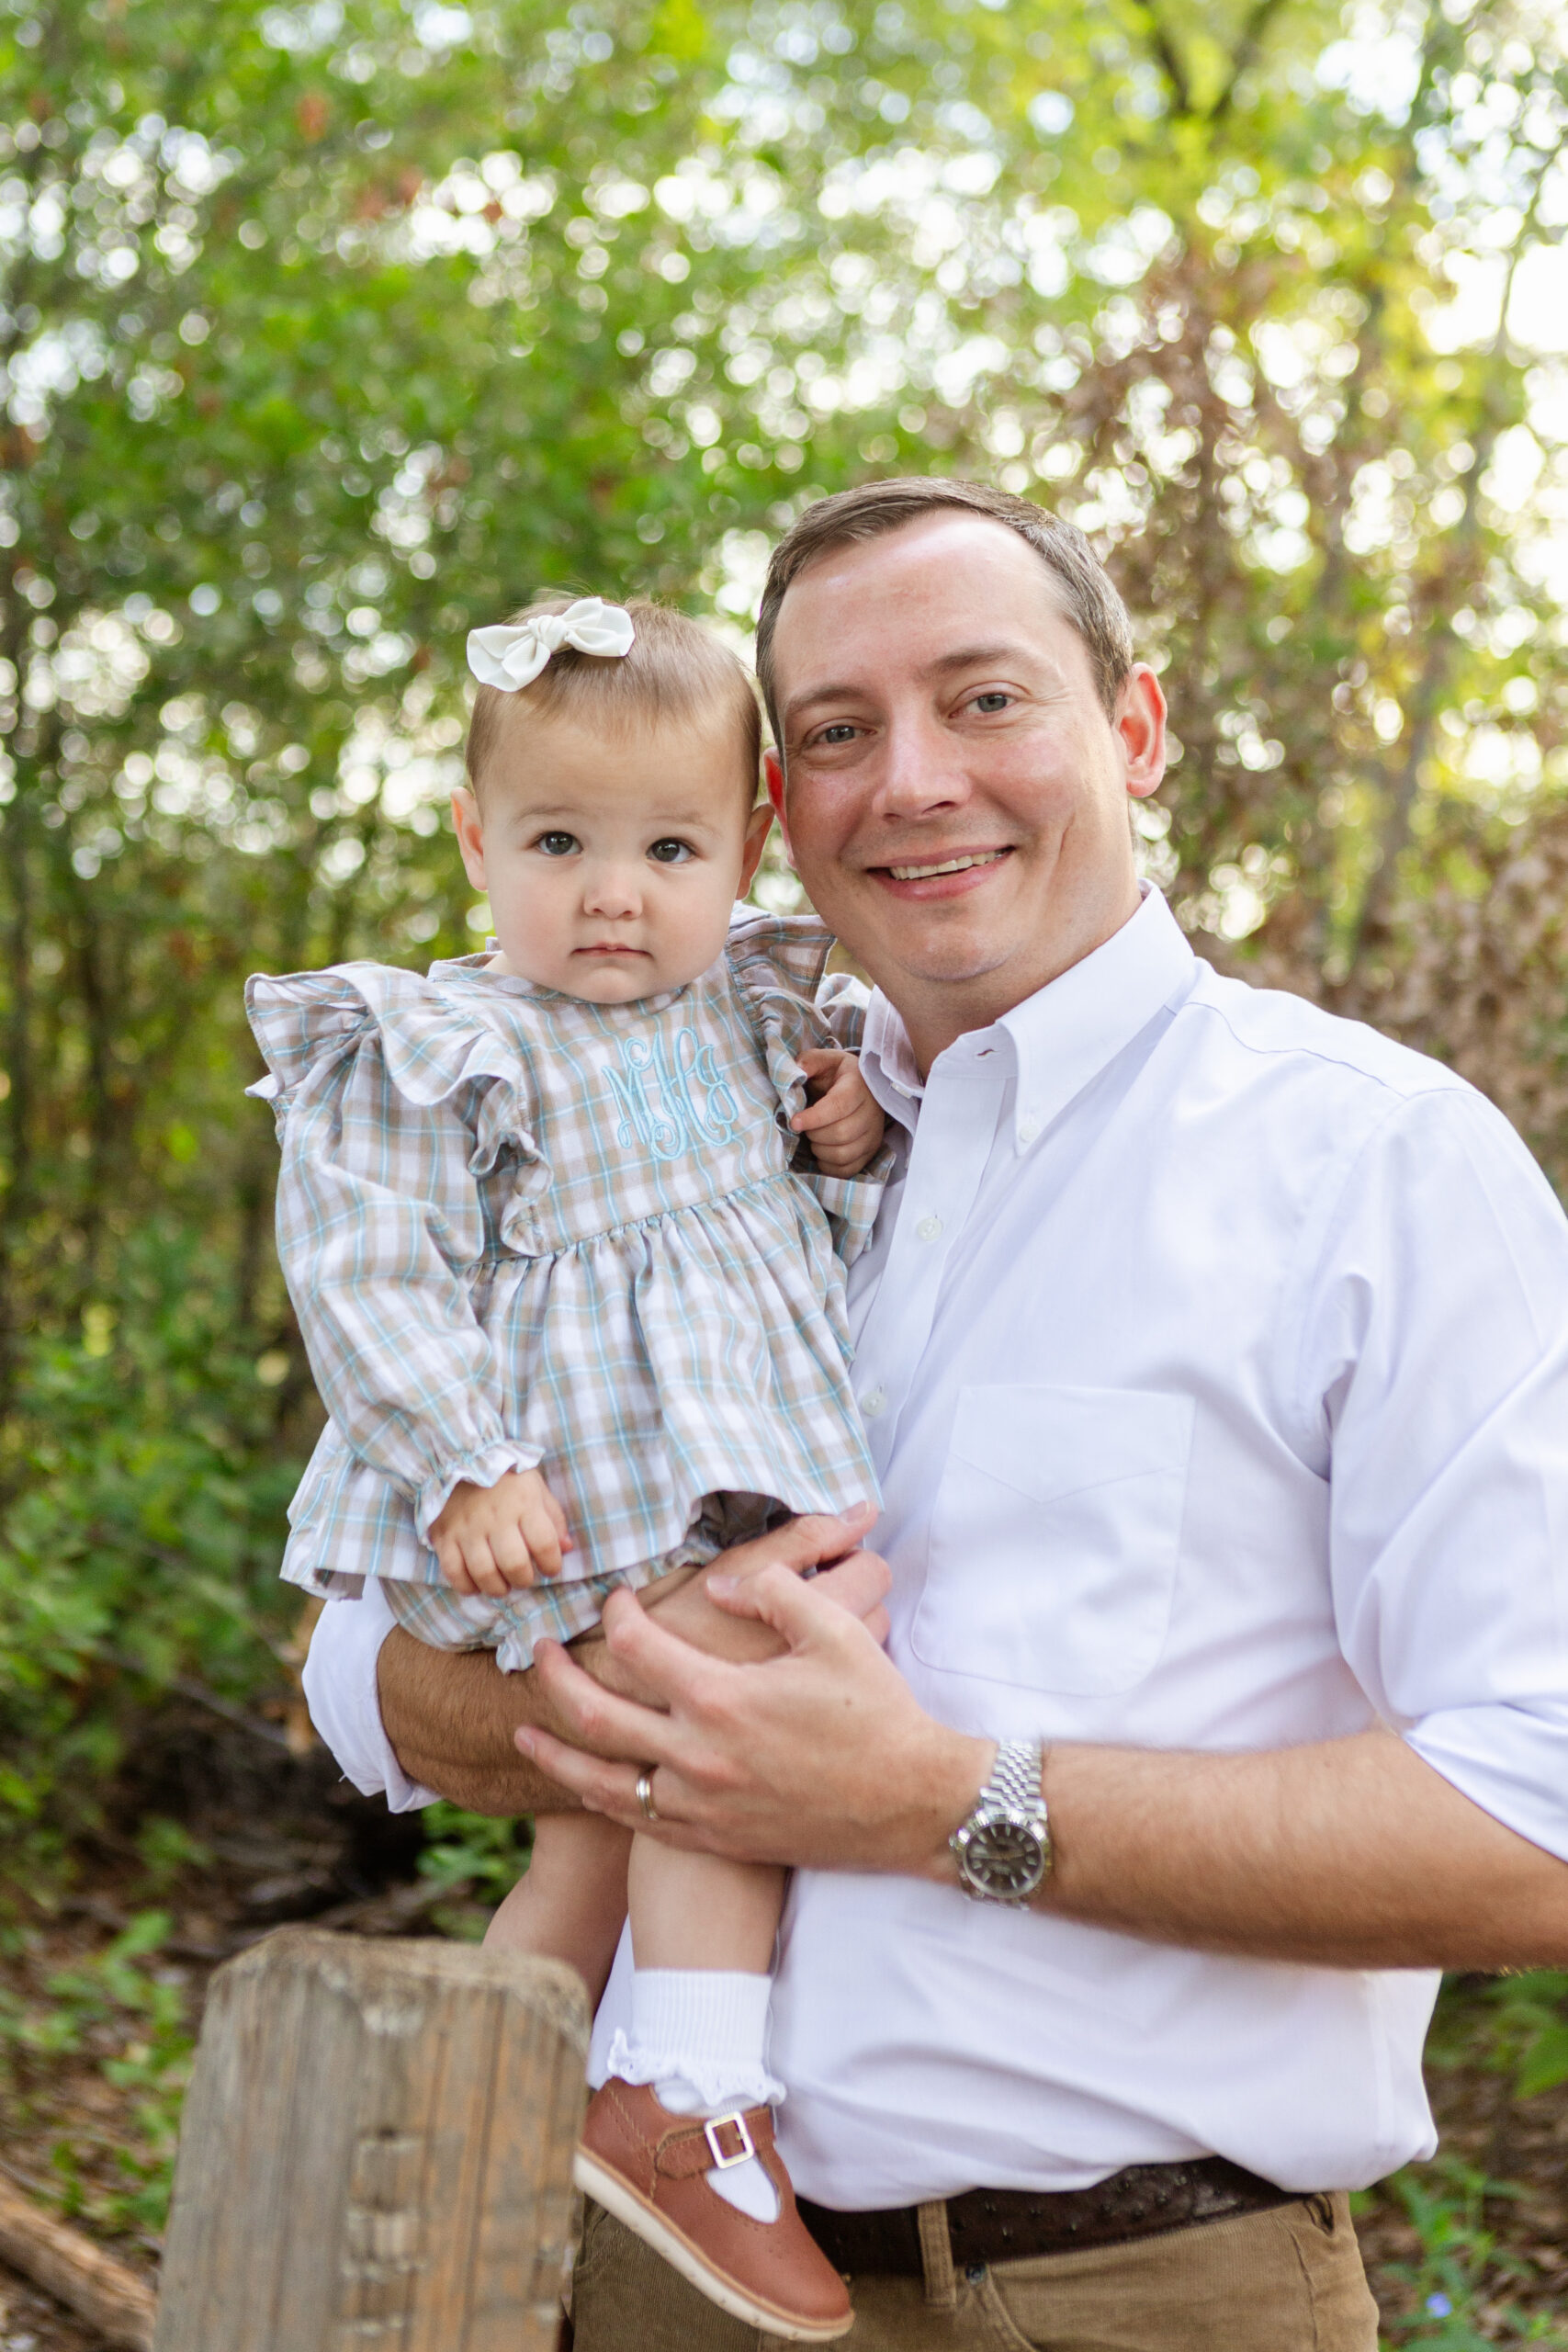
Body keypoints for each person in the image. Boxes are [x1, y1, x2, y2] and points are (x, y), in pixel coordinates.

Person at [304, 481, 1568, 2352]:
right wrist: (647, 1710)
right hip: (630, 2280)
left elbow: (1537, 1817)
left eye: (982, 698)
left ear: (1129, 728)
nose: (907, 780)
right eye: (833, 730)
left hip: (1135, 2292)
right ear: (769, 804)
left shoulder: (1364, 1165)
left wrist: (938, 1800)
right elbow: (347, 1673)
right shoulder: (691, 1131)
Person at [248, 595, 897, 2341]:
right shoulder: (437, 1045)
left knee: (596, 1846)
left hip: (720, 1444)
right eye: (559, 841)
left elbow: (807, 1230)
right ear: (475, 839)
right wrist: (465, 1462)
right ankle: (685, 2093)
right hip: (579, 1479)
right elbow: (366, 1274)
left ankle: (467, 2118)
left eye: (669, 847)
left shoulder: (749, 1004)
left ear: (748, 842)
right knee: (718, 1705)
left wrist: (843, 1126)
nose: (616, 892)